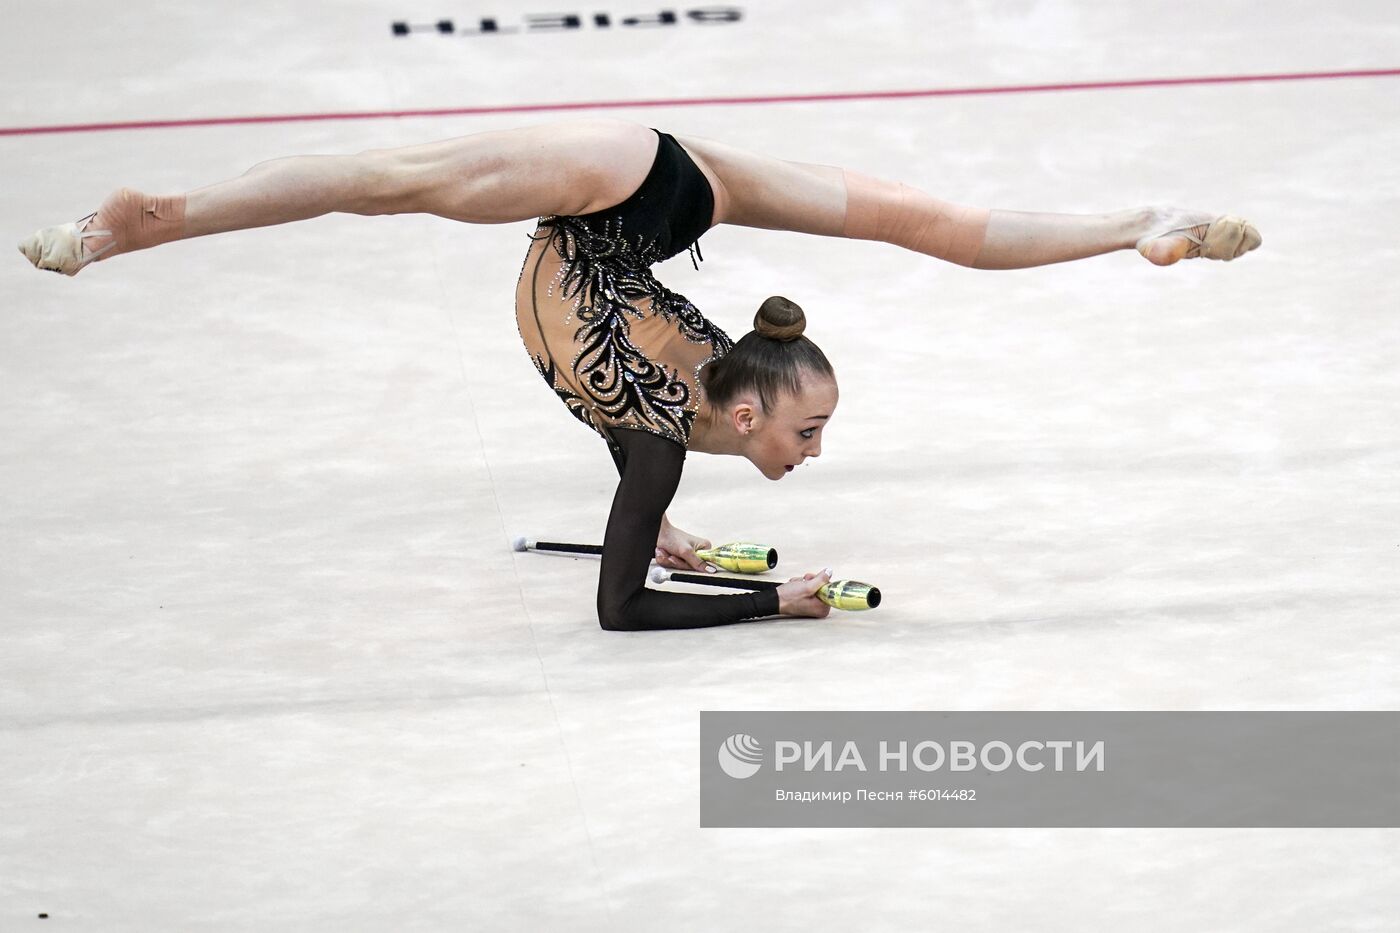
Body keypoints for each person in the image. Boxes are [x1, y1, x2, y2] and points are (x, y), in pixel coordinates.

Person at [16, 119, 1262, 630]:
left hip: (661, 192)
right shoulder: (670, 427)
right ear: (746, 404)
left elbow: (625, 398)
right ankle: (157, 217)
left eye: (814, 437)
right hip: (619, 191)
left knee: (931, 227)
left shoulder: (690, 404)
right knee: (390, 186)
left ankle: (1135, 222)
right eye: (806, 431)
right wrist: (772, 605)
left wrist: (662, 528)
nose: (810, 453)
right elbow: (618, 615)